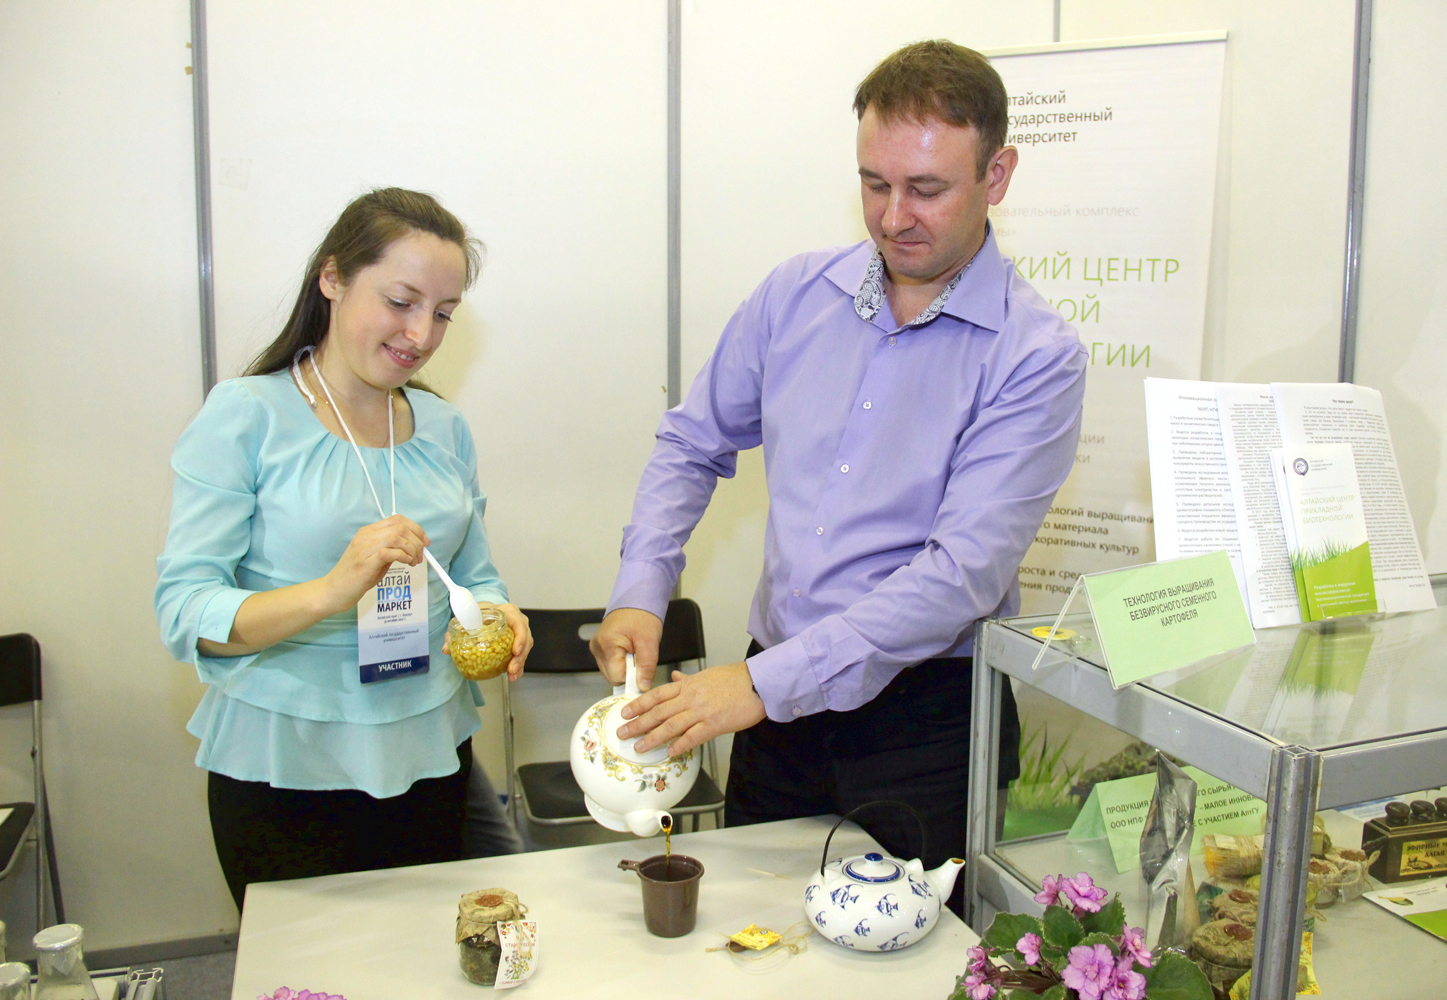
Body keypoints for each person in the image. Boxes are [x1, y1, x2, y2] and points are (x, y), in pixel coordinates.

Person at [589, 41, 1087, 913]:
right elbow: (692, 443)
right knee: (751, 935)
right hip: (776, 716)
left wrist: (757, 685)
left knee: (914, 960)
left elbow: (961, 574)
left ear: (997, 175)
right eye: (874, 182)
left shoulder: (1035, 356)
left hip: (925, 726)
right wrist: (642, 590)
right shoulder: (794, 296)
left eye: (926, 189)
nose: (894, 216)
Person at [155, 188, 532, 910]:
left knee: (423, 954)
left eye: (443, 313)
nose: (421, 334)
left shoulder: (444, 428)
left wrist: (495, 611)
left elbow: (475, 573)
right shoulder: (247, 416)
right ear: (332, 278)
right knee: (306, 966)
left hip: (427, 749)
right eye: (401, 301)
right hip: (286, 764)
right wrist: (334, 589)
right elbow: (186, 610)